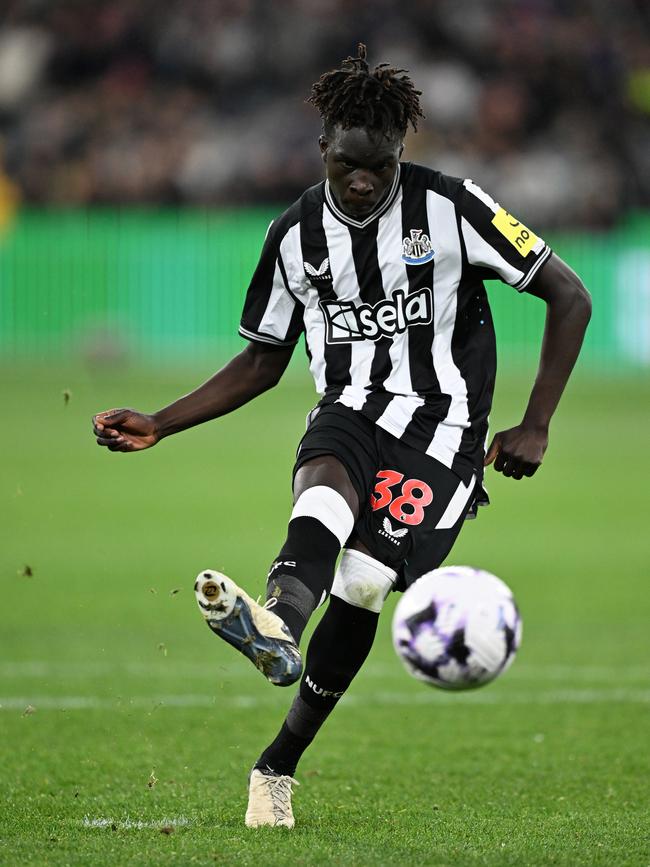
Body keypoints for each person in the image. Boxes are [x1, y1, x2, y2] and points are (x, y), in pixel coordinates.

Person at [93, 45, 591, 829]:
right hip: (350, 406)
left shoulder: (453, 206)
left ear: (401, 154)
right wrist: (162, 420)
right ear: (323, 149)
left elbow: (570, 295)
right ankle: (277, 625)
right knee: (323, 475)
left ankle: (276, 767)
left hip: (443, 430)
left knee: (361, 582)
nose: (364, 182)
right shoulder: (292, 234)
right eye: (349, 166)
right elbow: (263, 358)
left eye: (381, 167)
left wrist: (537, 422)